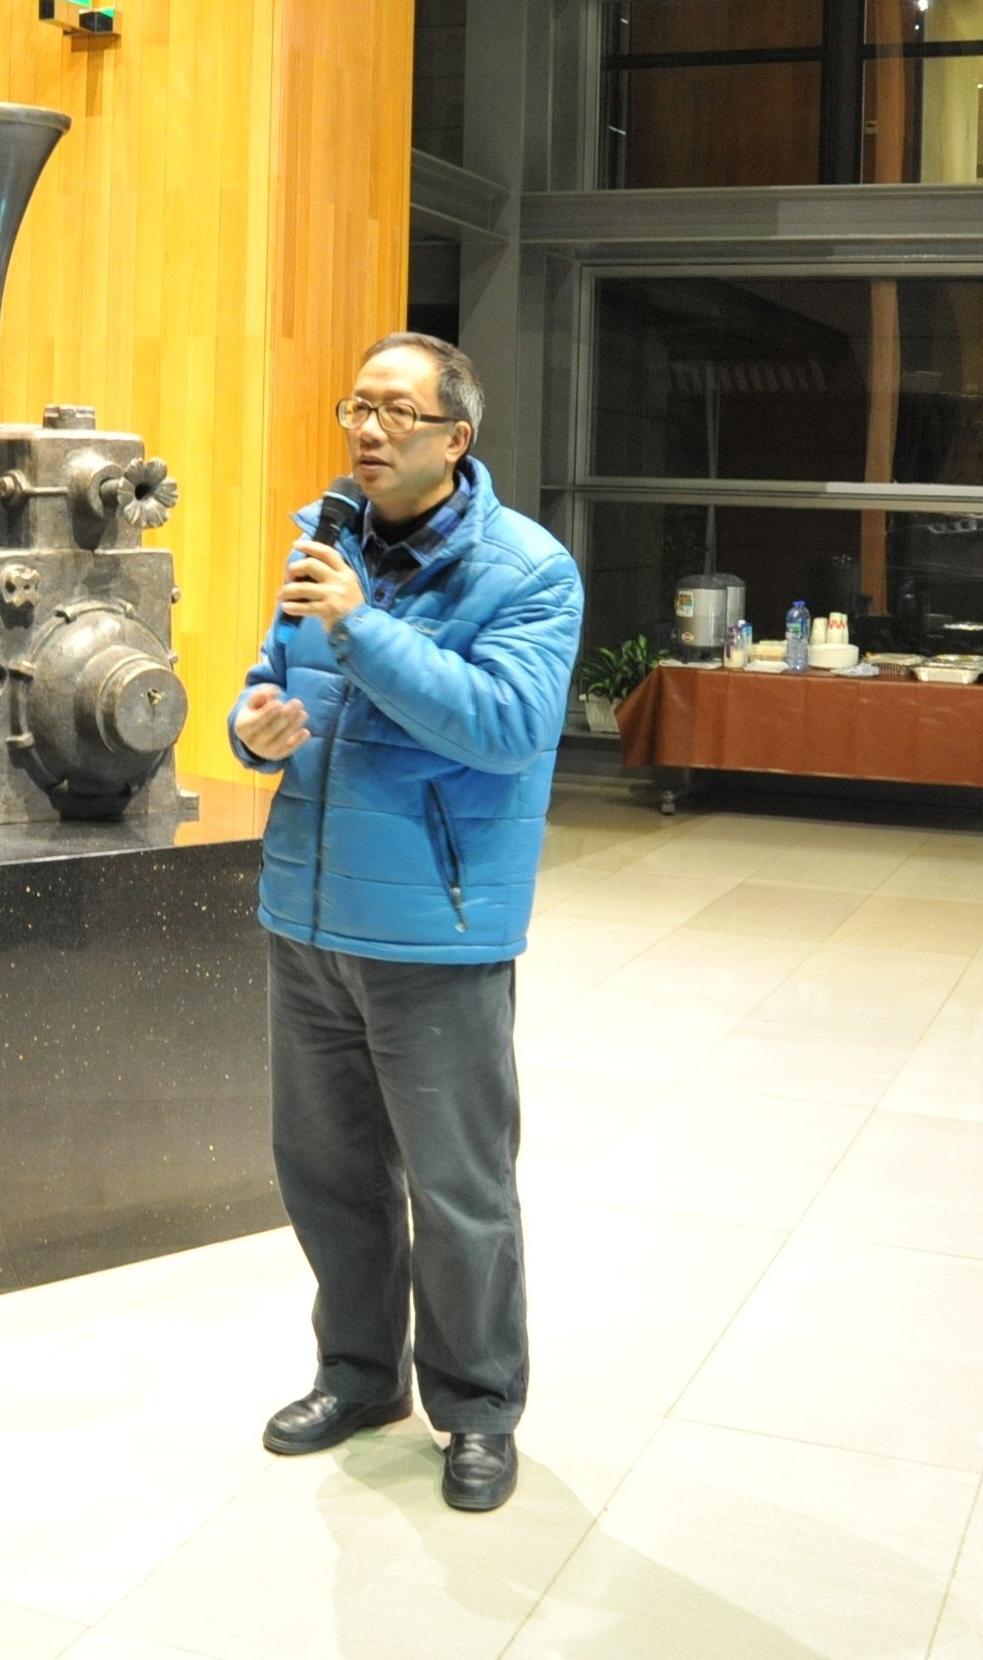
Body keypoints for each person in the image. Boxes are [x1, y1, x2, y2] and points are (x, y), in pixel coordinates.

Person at [228, 331, 583, 1513]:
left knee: (458, 1191)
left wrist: (361, 629)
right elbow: (268, 681)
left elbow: (506, 727)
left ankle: (478, 1409)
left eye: (394, 412)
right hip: (306, 913)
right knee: (327, 1174)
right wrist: (251, 732)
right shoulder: (324, 541)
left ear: (455, 437)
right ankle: (357, 1376)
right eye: (356, 408)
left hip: (435, 931)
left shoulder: (527, 571)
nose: (367, 431)